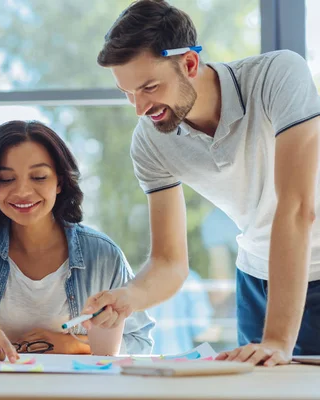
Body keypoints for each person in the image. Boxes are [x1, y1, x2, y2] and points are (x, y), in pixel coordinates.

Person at [81, 0, 320, 367]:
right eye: (127, 93)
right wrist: (129, 297)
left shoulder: (277, 75)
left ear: (189, 63)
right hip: (257, 279)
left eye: (149, 87)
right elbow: (169, 262)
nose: (139, 108)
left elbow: (296, 209)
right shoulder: (150, 142)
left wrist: (275, 339)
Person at [0, 120, 154, 362]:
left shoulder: (103, 255)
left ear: (59, 182)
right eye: (6, 179)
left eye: (39, 177)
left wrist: (73, 345)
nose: (22, 192)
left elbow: (140, 341)